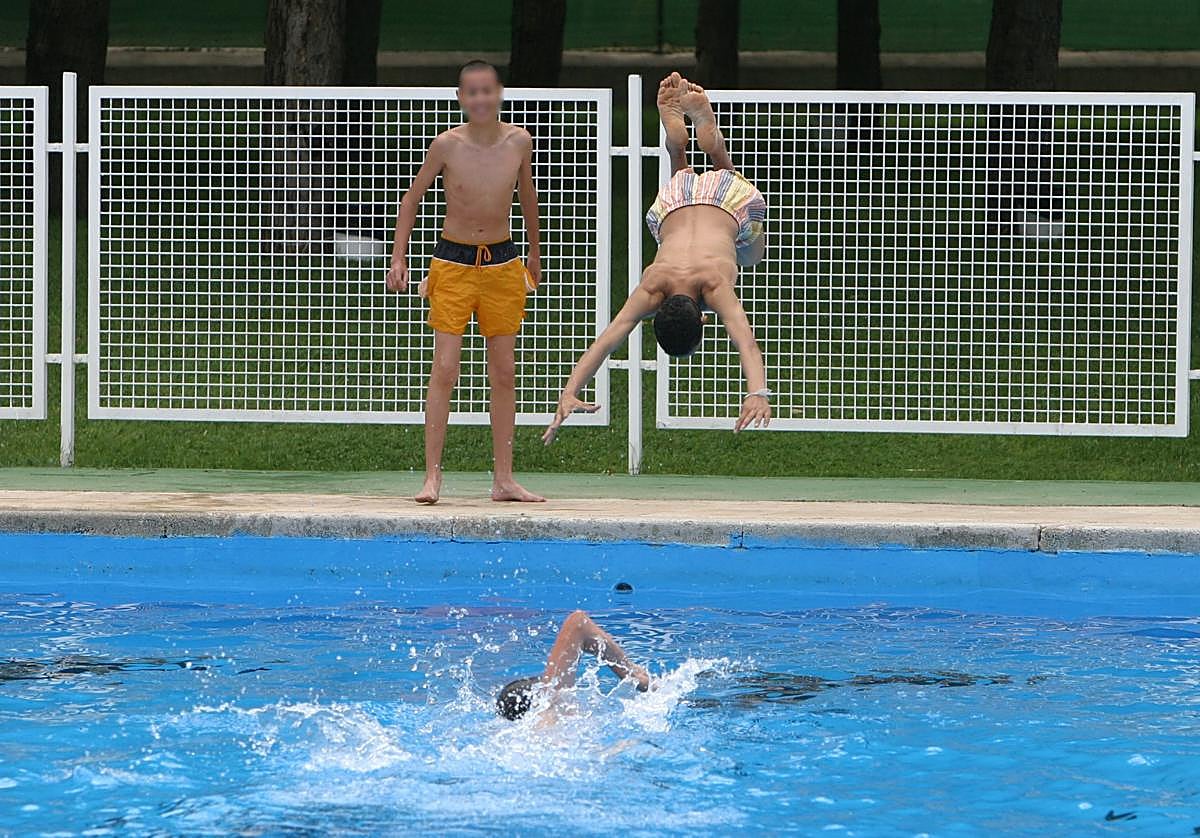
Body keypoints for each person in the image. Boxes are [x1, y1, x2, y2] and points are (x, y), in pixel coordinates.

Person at [542, 72, 772, 445]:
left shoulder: (713, 285)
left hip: (731, 204)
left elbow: (745, 340)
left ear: (701, 317)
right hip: (671, 200)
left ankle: (713, 152)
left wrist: (757, 393)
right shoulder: (652, 286)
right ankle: (682, 146)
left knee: (751, 253)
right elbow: (606, 341)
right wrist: (568, 391)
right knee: (690, 193)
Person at [386, 60, 545, 505]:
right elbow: (411, 199)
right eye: (471, 93)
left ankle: (504, 479)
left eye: (487, 91)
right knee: (445, 368)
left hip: (502, 262)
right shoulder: (447, 145)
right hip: (453, 263)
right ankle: (432, 476)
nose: (480, 100)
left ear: (499, 93)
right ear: (460, 98)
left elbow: (527, 197)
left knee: (505, 372)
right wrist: (399, 258)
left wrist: (534, 251)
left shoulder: (518, 141)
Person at [496, 610, 651, 721]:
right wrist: (633, 674)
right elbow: (578, 622)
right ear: (538, 700)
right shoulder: (552, 708)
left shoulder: (531, 740)